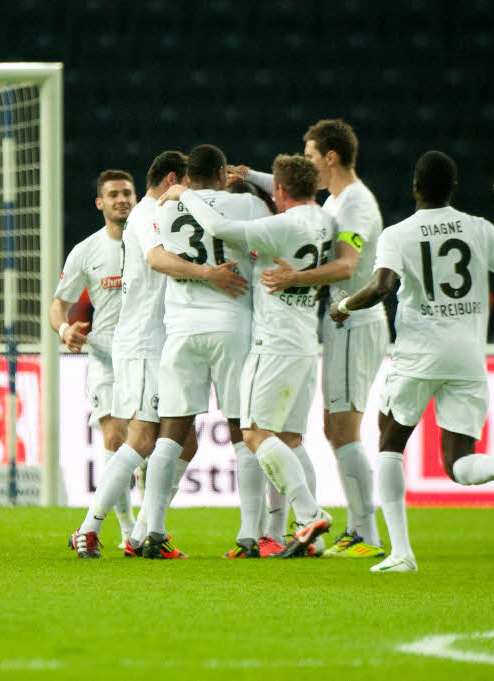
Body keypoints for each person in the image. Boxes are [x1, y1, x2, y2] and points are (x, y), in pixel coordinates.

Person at [331, 151, 494, 572]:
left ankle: (401, 553)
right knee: (458, 464)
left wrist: (344, 306)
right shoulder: (479, 229)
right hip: (467, 357)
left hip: (419, 355)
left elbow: (381, 286)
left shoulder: (399, 233)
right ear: (454, 187)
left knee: (389, 444)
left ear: (415, 187)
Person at [68, 152, 250, 559]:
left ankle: (146, 534)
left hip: (160, 341)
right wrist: (210, 274)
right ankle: (89, 527)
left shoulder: (157, 210)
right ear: (172, 178)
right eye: (183, 182)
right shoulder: (150, 211)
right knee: (143, 438)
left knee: (185, 443)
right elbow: (156, 258)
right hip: (144, 343)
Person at [159, 153, 336, 558]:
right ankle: (313, 537)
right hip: (307, 342)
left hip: (272, 344)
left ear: (279, 191)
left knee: (255, 434)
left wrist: (185, 193)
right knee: (290, 439)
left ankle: (308, 515)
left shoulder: (278, 226)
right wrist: (249, 176)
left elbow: (220, 226)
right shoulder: (325, 220)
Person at [241, 120, 389, 558]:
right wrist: (248, 176)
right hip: (338, 320)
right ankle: (352, 529)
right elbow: (293, 188)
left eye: (310, 157)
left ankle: (365, 534)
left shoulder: (357, 204)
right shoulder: (337, 200)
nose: (306, 165)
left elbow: (347, 266)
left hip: (354, 319)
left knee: (345, 430)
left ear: (331, 158)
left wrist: (295, 276)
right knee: (333, 428)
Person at [51, 170, 134, 550]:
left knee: (147, 445)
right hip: (105, 357)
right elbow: (58, 306)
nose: (121, 199)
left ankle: (145, 527)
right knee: (115, 440)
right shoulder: (86, 250)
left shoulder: (153, 243)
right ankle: (129, 529)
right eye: (113, 194)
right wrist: (64, 330)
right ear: (100, 203)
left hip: (150, 354)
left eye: (127, 193)